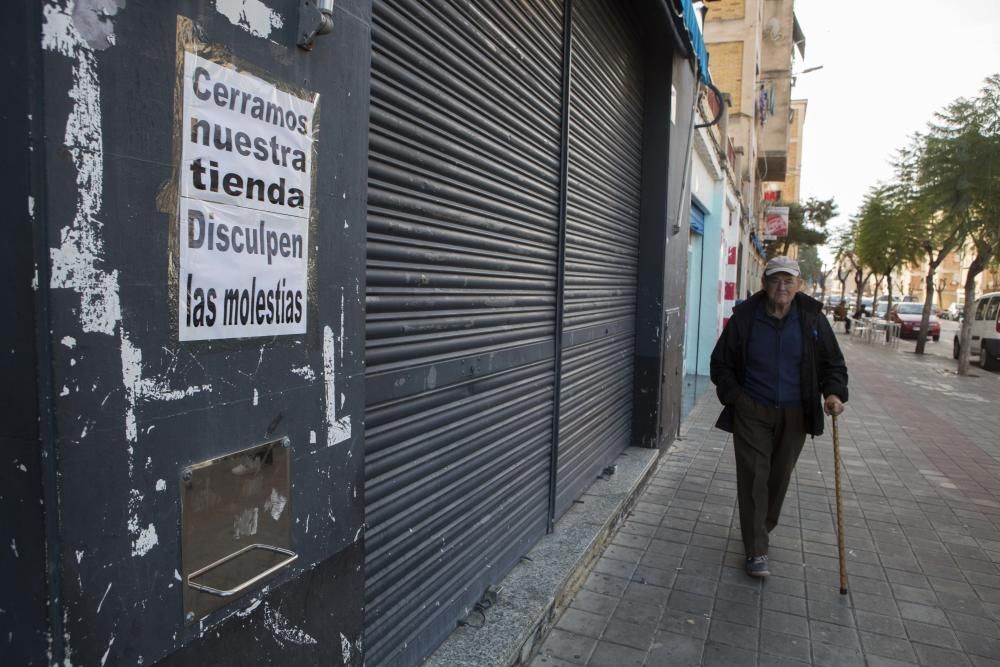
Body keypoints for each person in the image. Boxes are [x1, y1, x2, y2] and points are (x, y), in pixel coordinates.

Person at [710, 256, 848, 578]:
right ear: (764, 283)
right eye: (775, 280)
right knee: (754, 476)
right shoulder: (745, 318)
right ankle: (756, 548)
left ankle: (762, 527)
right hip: (752, 409)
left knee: (778, 477)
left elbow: (833, 364)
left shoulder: (812, 320)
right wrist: (737, 399)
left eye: (788, 281)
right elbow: (720, 364)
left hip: (796, 411)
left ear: (799, 285)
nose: (781, 287)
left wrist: (834, 393)